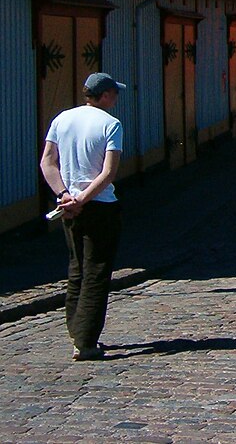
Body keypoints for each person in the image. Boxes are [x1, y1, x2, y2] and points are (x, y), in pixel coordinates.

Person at [39, 72, 126, 362]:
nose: (115, 98)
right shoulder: (110, 125)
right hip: (100, 205)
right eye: (113, 93)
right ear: (103, 96)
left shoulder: (62, 119)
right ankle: (86, 341)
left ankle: (76, 330)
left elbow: (48, 162)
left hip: (69, 207)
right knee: (97, 272)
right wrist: (83, 199)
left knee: (76, 269)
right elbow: (108, 172)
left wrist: (64, 195)